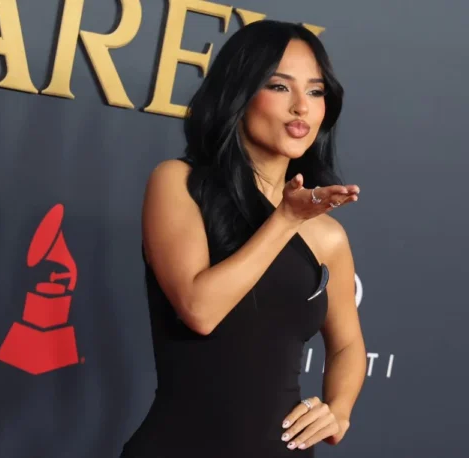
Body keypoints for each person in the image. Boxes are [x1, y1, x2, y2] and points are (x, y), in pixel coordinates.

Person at [120, 20, 367, 457]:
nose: (301, 108)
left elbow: (348, 344)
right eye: (279, 87)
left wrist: (339, 409)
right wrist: (285, 220)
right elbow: (200, 310)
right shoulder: (179, 183)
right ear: (239, 93)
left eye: (315, 91)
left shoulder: (326, 233)